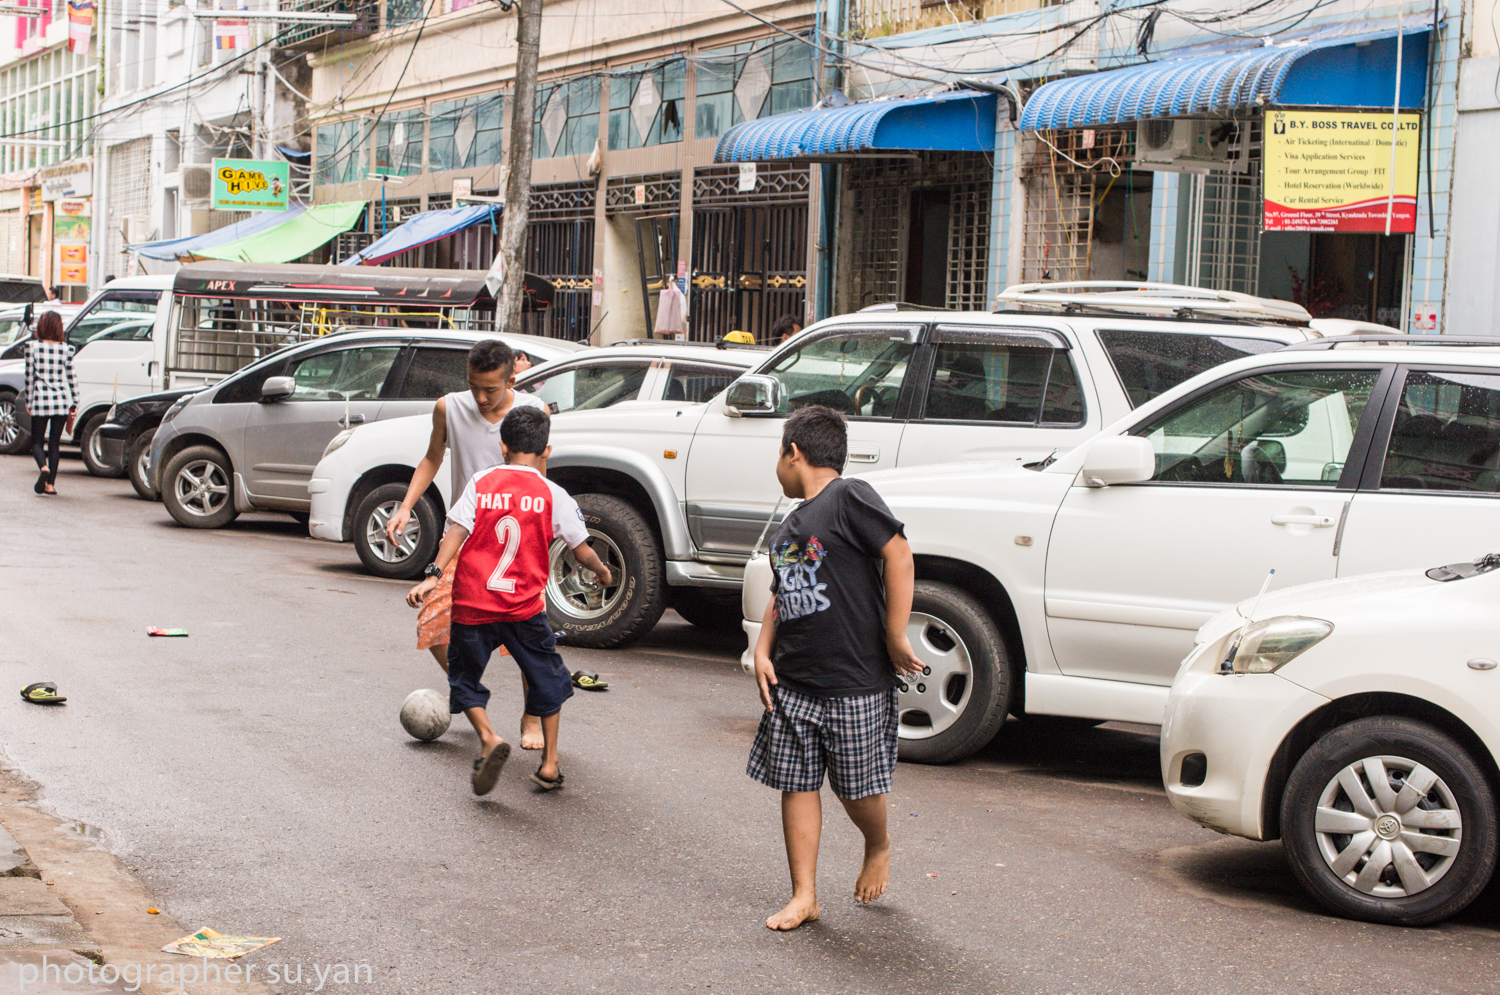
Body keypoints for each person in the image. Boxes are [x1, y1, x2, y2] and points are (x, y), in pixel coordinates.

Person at [747, 405, 923, 931]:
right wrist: (762, 648)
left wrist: (894, 633)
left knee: (856, 787)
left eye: (778, 454)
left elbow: (900, 555)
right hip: (794, 679)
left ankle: (878, 843)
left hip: (854, 680)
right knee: (797, 783)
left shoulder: (850, 496)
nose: (777, 465)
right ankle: (805, 894)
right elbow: (784, 593)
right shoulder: (791, 526)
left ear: (793, 453)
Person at [406, 406, 612, 795]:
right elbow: (581, 549)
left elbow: (456, 531)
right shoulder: (554, 494)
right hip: (524, 610)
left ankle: (487, 736)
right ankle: (549, 765)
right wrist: (602, 572)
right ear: (545, 452)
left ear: (503, 446)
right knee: (546, 680)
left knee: (464, 679)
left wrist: (433, 577)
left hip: (472, 606)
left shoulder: (482, 482)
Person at [387, 340, 550, 748]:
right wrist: (406, 505)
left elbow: (541, 481)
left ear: (511, 377)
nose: (480, 397)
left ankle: (532, 719)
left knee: (530, 637)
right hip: (463, 535)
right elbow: (431, 458)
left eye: (491, 389)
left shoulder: (531, 414)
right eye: (474, 386)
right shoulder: (449, 408)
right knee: (432, 620)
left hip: (513, 541)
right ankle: (470, 690)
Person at [22, 311, 78, 496]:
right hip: (61, 402)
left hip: (40, 400)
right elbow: (71, 377)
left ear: (42, 327)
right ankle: (50, 485)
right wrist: (75, 401)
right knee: (54, 444)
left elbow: (29, 378)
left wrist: (29, 401)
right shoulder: (66, 349)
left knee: (37, 443)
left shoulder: (32, 347)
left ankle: (43, 468)